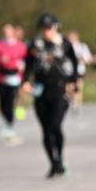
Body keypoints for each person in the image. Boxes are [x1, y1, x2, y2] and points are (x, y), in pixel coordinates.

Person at [22, 13, 78, 177]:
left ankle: (59, 157)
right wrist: (25, 81)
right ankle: (53, 163)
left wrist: (73, 82)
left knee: (55, 126)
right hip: (40, 90)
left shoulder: (65, 44)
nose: (46, 31)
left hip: (59, 88)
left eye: (49, 28)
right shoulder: (34, 45)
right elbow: (28, 66)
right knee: (46, 130)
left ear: (55, 27)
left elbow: (74, 64)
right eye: (43, 28)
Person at [0, 24, 27, 144]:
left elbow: (25, 60)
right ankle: (7, 122)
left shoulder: (20, 46)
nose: (6, 33)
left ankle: (9, 126)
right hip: (1, 79)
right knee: (2, 104)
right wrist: (0, 60)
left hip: (15, 78)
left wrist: (21, 66)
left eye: (9, 31)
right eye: (4, 31)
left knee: (11, 102)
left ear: (13, 32)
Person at [66, 31, 92, 114]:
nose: (71, 39)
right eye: (69, 37)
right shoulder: (66, 46)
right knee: (69, 89)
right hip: (68, 71)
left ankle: (76, 105)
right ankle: (71, 102)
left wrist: (81, 60)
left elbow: (88, 58)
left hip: (79, 70)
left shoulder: (82, 46)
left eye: (72, 37)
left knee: (78, 88)